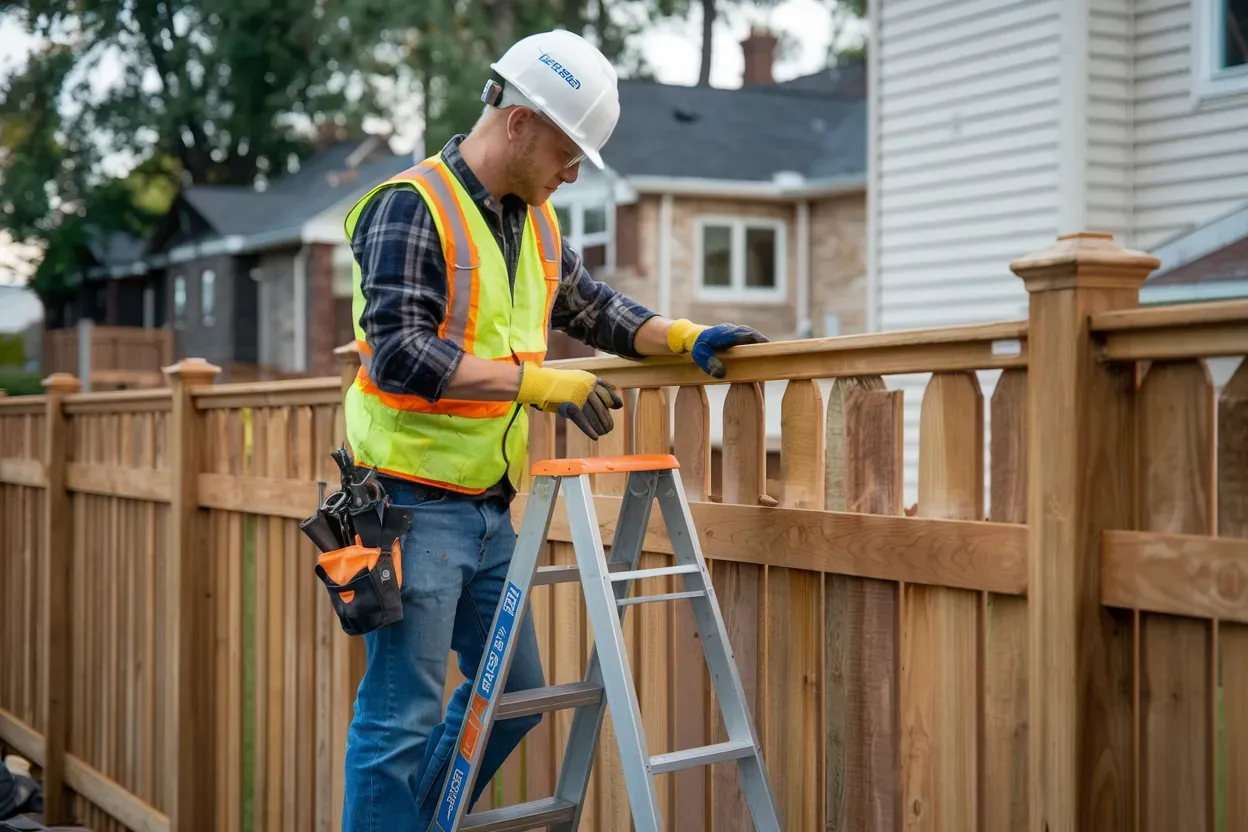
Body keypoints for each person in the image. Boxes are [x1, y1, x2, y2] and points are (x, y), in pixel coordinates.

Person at [339, 27, 768, 830]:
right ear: (519, 122)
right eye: (569, 153)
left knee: (519, 696)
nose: (573, 174)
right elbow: (399, 354)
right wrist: (537, 383)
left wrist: (681, 337)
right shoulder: (411, 206)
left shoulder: (530, 225)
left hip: (486, 507)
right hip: (407, 505)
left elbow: (594, 309)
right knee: (398, 722)